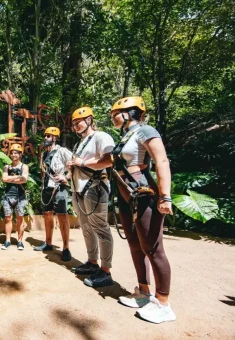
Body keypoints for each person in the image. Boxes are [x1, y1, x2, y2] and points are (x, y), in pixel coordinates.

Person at [109, 96, 175, 323]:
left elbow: (162, 161)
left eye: (115, 113)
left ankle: (163, 303)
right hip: (126, 194)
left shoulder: (145, 131)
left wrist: (165, 196)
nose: (112, 117)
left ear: (130, 112)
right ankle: (144, 292)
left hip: (143, 192)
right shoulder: (125, 136)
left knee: (153, 248)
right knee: (135, 244)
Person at [68, 107, 115, 288]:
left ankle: (105, 271)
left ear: (89, 120)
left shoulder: (100, 136)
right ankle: (92, 262)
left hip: (95, 188)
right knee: (86, 227)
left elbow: (110, 160)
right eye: (73, 124)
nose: (75, 126)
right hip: (79, 189)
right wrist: (72, 167)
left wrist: (82, 163)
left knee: (101, 229)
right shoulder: (81, 142)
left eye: (77, 122)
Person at [34, 127, 73, 262]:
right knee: (47, 215)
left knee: (62, 216)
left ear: (55, 138)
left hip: (59, 187)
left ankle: (66, 248)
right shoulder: (44, 154)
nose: (46, 138)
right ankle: (48, 243)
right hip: (47, 188)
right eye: (45, 136)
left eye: (49, 136)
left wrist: (66, 177)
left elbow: (74, 165)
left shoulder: (62, 151)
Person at [1, 144, 29, 250]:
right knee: (8, 218)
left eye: (16, 153)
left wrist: (10, 178)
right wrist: (17, 177)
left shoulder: (24, 166)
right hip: (8, 195)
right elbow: (4, 179)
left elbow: (24, 179)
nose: (14, 155)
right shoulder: (6, 167)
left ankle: (20, 241)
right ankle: (7, 240)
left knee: (20, 219)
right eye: (12, 153)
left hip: (20, 196)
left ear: (20, 154)